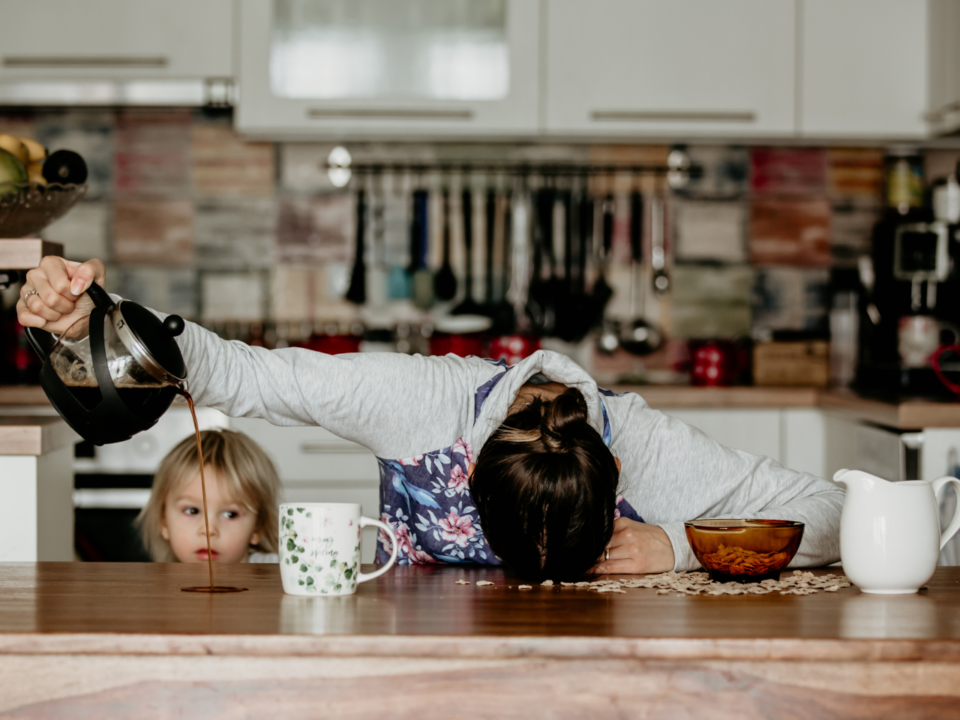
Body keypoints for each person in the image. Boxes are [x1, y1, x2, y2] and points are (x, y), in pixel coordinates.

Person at [19, 257, 843, 581]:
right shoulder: (416, 401)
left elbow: (836, 512)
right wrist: (86, 314)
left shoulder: (650, 445)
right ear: (468, 465)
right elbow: (239, 371)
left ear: (618, 475)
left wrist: (677, 545)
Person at [135, 428, 281, 563]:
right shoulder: (161, 580)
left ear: (258, 527)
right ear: (164, 522)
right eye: (192, 511)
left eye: (231, 514)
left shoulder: (279, 571)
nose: (208, 529)